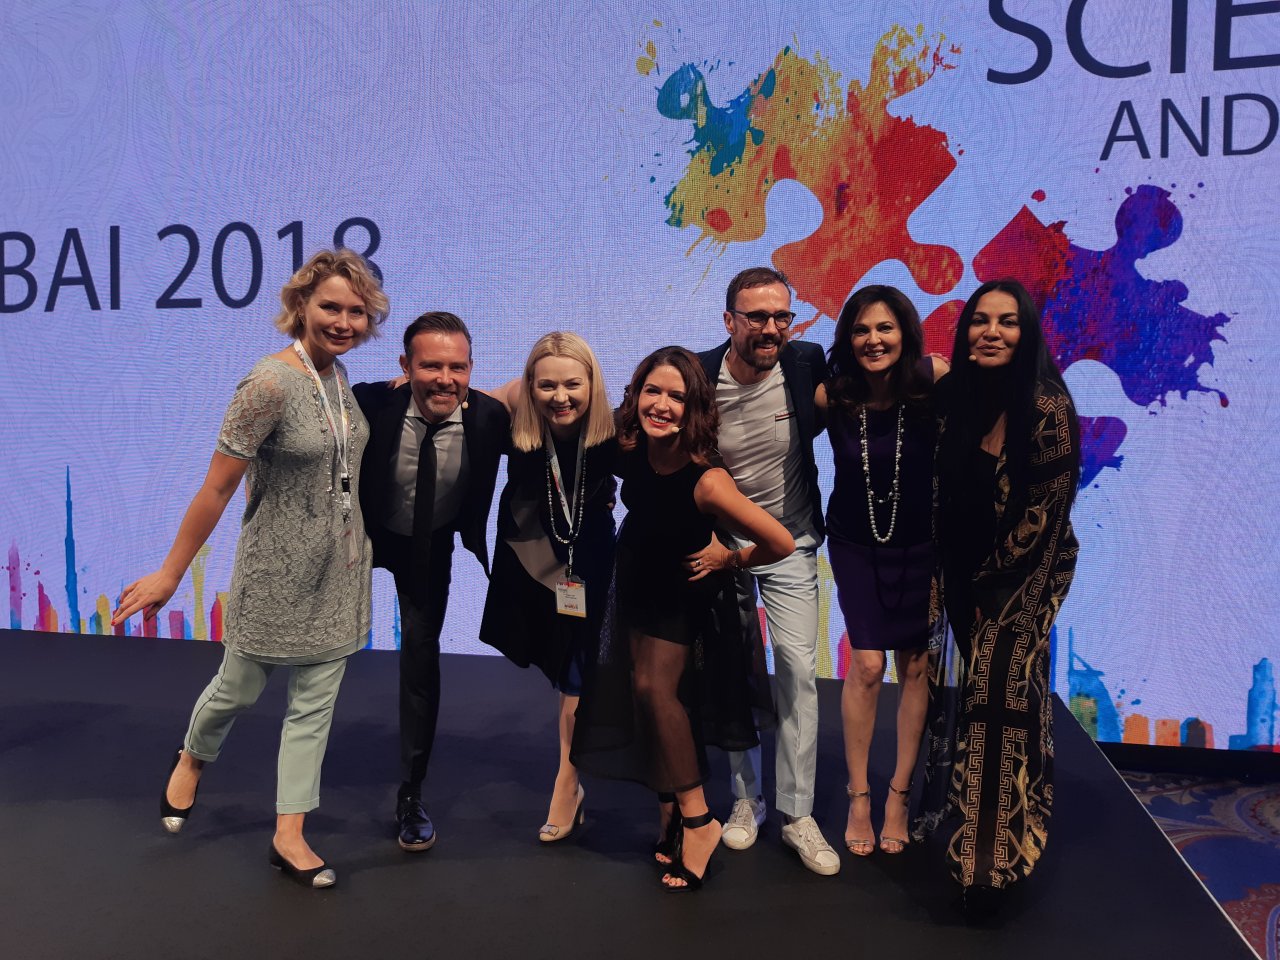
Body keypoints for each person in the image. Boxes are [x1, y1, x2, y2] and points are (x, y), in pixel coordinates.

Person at [111, 248, 389, 889]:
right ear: (300, 306)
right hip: (275, 570)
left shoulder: (340, 377)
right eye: (330, 307)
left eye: (356, 311)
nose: (343, 321)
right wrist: (171, 573)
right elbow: (216, 488)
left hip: (341, 568)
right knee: (237, 690)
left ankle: (289, 834)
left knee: (313, 708)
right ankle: (192, 756)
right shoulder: (267, 384)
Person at [572, 346, 794, 891]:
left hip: (684, 591)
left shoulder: (708, 479)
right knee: (641, 689)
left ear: (695, 407)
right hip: (636, 579)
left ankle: (699, 821)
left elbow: (780, 542)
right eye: (653, 391)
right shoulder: (629, 447)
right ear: (637, 395)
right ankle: (669, 811)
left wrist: (730, 558)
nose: (662, 405)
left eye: (676, 396)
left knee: (655, 690)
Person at [928, 278, 1080, 917]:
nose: (992, 332)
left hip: (1026, 577)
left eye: (1008, 321)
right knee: (1008, 702)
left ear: (1028, 333)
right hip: (965, 576)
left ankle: (987, 867)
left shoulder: (1046, 407)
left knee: (994, 709)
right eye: (980, 320)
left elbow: (1043, 515)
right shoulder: (957, 397)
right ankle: (1024, 817)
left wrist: (993, 590)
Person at [691, 267, 840, 876]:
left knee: (799, 672)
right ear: (730, 321)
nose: (771, 328)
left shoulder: (806, 363)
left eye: (782, 315)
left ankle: (798, 813)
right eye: (756, 316)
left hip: (792, 542)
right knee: (732, 670)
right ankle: (745, 797)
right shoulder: (698, 375)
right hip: (724, 545)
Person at [353, 312, 509, 852]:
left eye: (457, 367)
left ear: (471, 369)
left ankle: (411, 793)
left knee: (421, 658)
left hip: (430, 546)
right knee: (323, 654)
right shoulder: (370, 402)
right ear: (405, 366)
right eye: (431, 366)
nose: (445, 379)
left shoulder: (489, 418)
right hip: (362, 540)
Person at [819, 285, 949, 856]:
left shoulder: (932, 380)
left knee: (915, 665)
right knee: (868, 664)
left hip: (921, 544)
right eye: (861, 330)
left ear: (905, 333)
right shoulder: (833, 396)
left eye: (885, 328)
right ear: (848, 338)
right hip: (855, 543)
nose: (873, 340)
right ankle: (859, 796)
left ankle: (898, 794)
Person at [478, 332, 617, 842]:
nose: (560, 397)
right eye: (547, 386)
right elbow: (466, 396)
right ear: (530, 385)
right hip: (532, 557)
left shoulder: (616, 429)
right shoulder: (515, 411)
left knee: (579, 671)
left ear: (592, 383)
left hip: (590, 560)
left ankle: (566, 779)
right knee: (559, 664)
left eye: (572, 385)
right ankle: (570, 774)